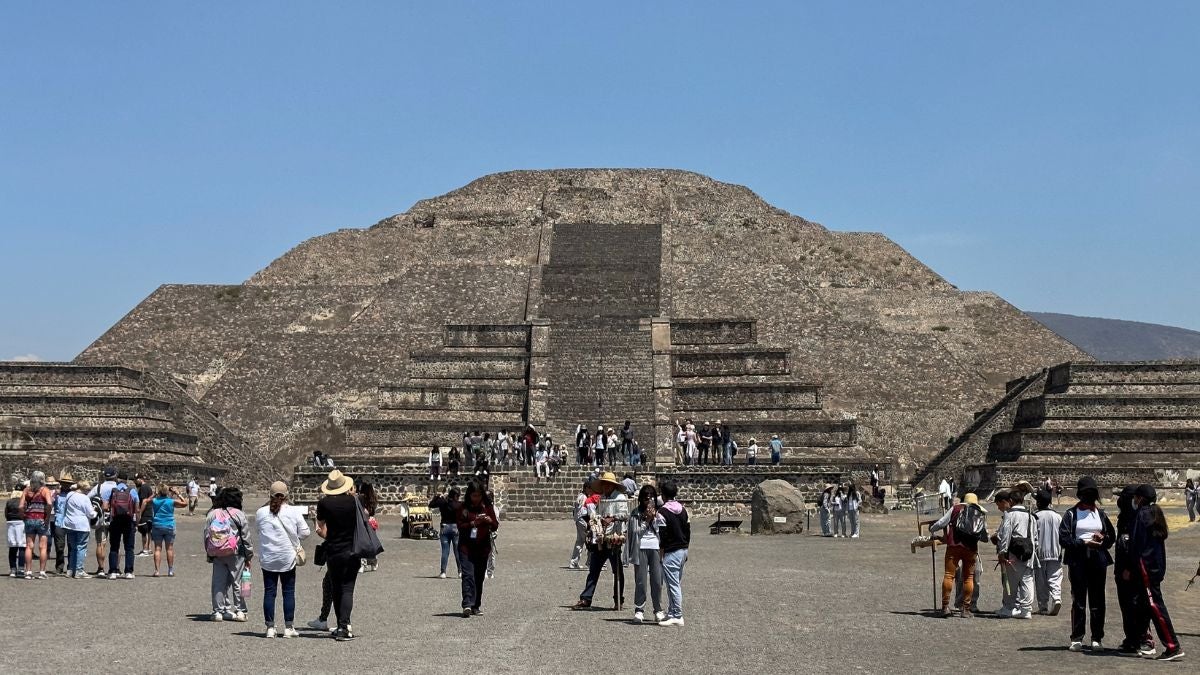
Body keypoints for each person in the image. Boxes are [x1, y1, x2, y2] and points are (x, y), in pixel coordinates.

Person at [1058, 475, 1115, 652]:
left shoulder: (1101, 514)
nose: (1089, 496)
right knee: (1079, 600)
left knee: (1098, 600)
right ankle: (1077, 637)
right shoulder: (1071, 514)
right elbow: (1064, 539)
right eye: (1086, 493)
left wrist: (1102, 538)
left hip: (1098, 559)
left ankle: (1097, 638)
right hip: (1078, 560)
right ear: (1080, 494)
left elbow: (1111, 537)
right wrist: (1083, 543)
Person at [1128, 485, 1184, 661]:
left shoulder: (1142, 515)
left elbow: (1136, 544)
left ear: (1140, 498)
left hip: (1146, 566)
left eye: (1136, 497)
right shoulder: (1155, 513)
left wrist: (1131, 567)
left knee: (1155, 605)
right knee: (1145, 605)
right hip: (1156, 565)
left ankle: (1172, 646)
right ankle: (1139, 641)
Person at [255, 481, 311, 639]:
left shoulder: (261, 512)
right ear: (287, 495)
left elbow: (259, 530)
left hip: (268, 557)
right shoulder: (293, 511)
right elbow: (305, 532)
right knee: (288, 592)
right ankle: (288, 627)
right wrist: (294, 535)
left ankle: (270, 627)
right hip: (287, 556)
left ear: (270, 495)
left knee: (269, 592)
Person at [315, 470, 360, 640]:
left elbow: (320, 527)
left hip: (333, 550)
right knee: (347, 588)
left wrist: (330, 536)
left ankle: (341, 626)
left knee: (336, 588)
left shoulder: (324, 504)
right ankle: (344, 625)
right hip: (352, 549)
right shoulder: (354, 501)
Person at [573, 472, 629, 610]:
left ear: (612, 485)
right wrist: (596, 520)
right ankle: (586, 598)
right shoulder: (602, 498)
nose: (605, 487)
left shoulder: (620, 498)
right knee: (594, 568)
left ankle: (618, 599)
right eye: (603, 484)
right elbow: (598, 514)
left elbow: (625, 514)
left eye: (607, 484)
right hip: (601, 537)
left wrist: (613, 518)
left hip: (614, 537)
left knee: (617, 571)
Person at [928, 492, 987, 618]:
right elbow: (983, 534)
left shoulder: (955, 509)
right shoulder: (980, 513)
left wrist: (932, 529)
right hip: (971, 548)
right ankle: (966, 609)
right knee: (968, 578)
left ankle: (945, 607)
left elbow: (942, 523)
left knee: (949, 575)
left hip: (954, 546)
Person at [1112, 485, 1154, 656]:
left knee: (1138, 604)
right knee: (1128, 605)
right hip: (1124, 568)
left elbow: (1137, 547)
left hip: (1133, 569)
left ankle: (1142, 639)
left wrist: (1129, 567)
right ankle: (1132, 639)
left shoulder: (1138, 519)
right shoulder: (1125, 517)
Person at [207, 487, 252, 622]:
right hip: (235, 552)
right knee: (238, 582)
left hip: (218, 552)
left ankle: (218, 611)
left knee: (218, 583)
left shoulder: (213, 514)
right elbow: (246, 536)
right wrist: (249, 554)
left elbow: (206, 534)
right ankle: (240, 610)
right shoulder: (239, 514)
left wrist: (210, 552)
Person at [457, 480, 498, 617]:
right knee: (468, 575)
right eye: (474, 495)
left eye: (479, 495)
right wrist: (473, 523)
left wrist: (489, 521)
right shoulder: (463, 508)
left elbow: (495, 525)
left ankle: (476, 605)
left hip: (482, 548)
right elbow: (460, 526)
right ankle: (467, 604)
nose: (476, 498)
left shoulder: (487, 507)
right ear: (469, 495)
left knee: (479, 578)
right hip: (466, 547)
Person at [996, 489, 1039, 619]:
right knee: (1027, 581)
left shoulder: (1009, 515)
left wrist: (1002, 552)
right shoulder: (1031, 516)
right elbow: (1035, 536)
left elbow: (1006, 534)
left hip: (1013, 553)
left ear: (1010, 500)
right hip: (1029, 552)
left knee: (1011, 582)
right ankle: (1026, 609)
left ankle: (1008, 608)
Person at [629, 484, 665, 623]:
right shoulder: (635, 513)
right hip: (641, 547)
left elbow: (662, 530)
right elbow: (635, 532)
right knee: (641, 581)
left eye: (651, 498)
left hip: (655, 547)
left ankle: (658, 609)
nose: (648, 501)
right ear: (641, 499)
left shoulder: (660, 512)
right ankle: (639, 610)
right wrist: (646, 520)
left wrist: (655, 518)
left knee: (657, 580)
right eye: (646, 498)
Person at [658, 479, 690, 626]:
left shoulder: (663, 512)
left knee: (673, 585)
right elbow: (688, 531)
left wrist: (661, 553)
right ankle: (671, 612)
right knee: (675, 583)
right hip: (683, 549)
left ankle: (677, 614)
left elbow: (663, 536)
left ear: (663, 495)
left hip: (671, 551)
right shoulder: (683, 509)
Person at [104, 472, 140, 579]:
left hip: (115, 521)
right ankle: (129, 571)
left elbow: (105, 507)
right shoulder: (132, 491)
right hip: (128, 521)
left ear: (117, 479)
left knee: (114, 547)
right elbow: (137, 509)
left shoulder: (112, 491)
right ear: (127, 480)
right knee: (129, 548)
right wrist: (137, 523)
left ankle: (112, 571)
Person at [1033, 489, 1063, 616]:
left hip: (1040, 552)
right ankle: (1056, 598)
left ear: (1039, 502)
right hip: (1055, 551)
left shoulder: (1035, 516)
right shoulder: (1058, 517)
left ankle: (1043, 606)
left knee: (1041, 581)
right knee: (1055, 577)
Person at [146, 483, 186, 577]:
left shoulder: (155, 501)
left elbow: (146, 501)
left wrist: (154, 494)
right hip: (169, 525)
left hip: (157, 525)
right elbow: (185, 503)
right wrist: (177, 493)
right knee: (169, 548)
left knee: (157, 548)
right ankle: (170, 570)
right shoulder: (171, 501)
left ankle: (157, 571)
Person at [19, 471, 53, 579]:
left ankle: (28, 572)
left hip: (29, 519)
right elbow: (49, 503)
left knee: (29, 546)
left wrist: (23, 516)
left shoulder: (26, 490)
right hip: (41, 519)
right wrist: (47, 517)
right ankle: (42, 572)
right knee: (43, 547)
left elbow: (20, 506)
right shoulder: (45, 490)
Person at [62, 480, 96, 578]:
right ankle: (79, 570)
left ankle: (70, 569)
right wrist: (96, 511)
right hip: (81, 525)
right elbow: (91, 514)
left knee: (73, 547)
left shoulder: (70, 495)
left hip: (69, 523)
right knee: (81, 547)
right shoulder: (85, 498)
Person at [88, 467, 117, 575]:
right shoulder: (118, 487)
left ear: (104, 476)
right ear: (115, 475)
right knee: (116, 545)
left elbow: (87, 498)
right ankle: (115, 568)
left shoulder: (99, 487)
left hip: (102, 518)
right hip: (115, 518)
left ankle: (101, 568)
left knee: (100, 544)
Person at [430, 488, 461, 579]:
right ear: (456, 496)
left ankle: (443, 572)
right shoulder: (458, 504)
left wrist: (437, 497)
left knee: (445, 551)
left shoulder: (443, 502)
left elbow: (431, 505)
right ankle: (460, 572)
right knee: (457, 551)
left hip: (445, 527)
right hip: (455, 527)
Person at [52, 473, 76, 575]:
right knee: (59, 546)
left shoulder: (73, 494)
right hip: (59, 521)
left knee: (71, 545)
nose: (66, 485)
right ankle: (59, 566)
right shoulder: (56, 494)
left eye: (68, 484)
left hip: (70, 521)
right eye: (64, 483)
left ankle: (71, 566)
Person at [357, 481, 379, 573]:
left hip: (363, 521)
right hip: (371, 521)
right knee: (371, 543)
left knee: (362, 544)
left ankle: (363, 564)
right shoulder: (374, 497)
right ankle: (374, 563)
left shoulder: (360, 497)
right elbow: (372, 512)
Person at [6, 486, 26, 578]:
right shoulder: (24, 501)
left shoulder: (9, 501)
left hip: (10, 523)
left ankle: (13, 569)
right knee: (22, 546)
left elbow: (6, 514)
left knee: (12, 547)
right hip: (21, 523)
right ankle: (21, 569)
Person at [568, 483, 589, 569]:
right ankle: (590, 562)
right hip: (582, 520)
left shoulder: (580, 496)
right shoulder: (584, 497)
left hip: (578, 520)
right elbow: (583, 511)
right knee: (588, 541)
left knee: (580, 541)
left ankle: (574, 562)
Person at [134, 474, 154, 556]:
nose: (135, 481)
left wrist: (140, 512)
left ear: (140, 479)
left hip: (145, 513)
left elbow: (144, 502)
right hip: (149, 512)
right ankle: (149, 549)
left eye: (136, 479)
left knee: (144, 531)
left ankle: (145, 549)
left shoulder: (143, 488)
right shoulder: (147, 487)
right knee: (148, 531)